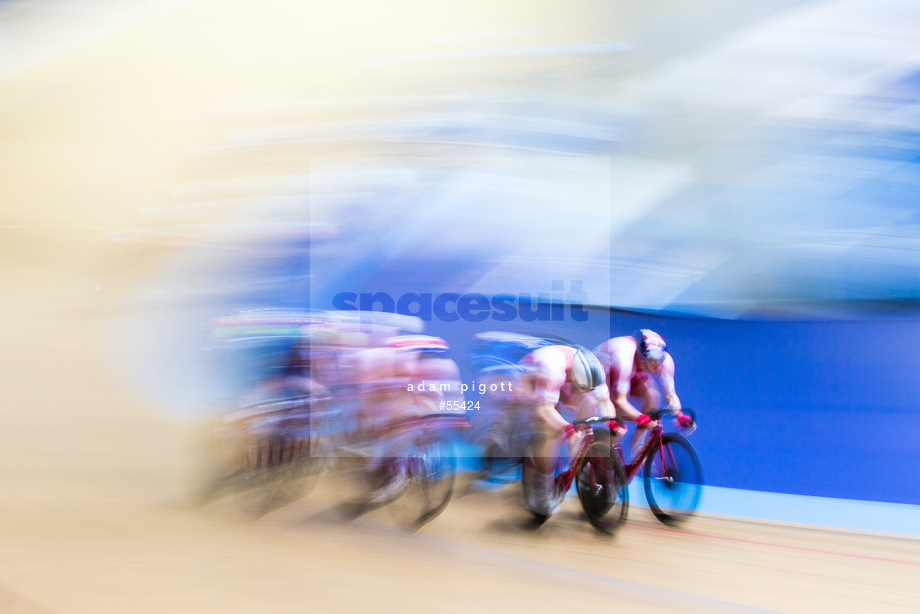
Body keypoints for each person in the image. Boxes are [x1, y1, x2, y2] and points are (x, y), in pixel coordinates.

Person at [593, 329, 693, 456]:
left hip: (631, 373)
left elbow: (671, 395)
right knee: (616, 418)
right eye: (651, 361)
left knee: (653, 396)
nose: (656, 365)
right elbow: (620, 401)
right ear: (640, 356)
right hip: (605, 372)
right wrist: (640, 417)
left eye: (658, 360)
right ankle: (606, 454)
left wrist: (679, 415)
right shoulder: (625, 359)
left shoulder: (666, 361)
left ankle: (637, 446)